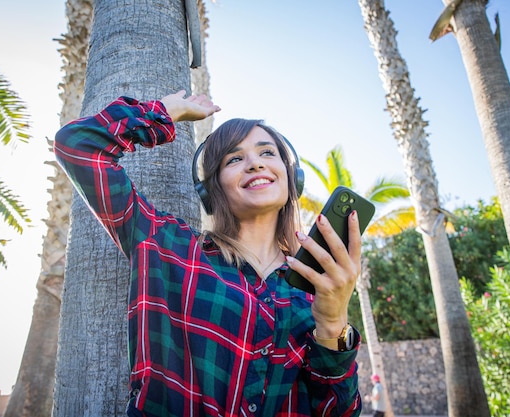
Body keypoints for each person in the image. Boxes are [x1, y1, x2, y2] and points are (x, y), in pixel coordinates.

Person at [54, 90, 363, 416]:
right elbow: (77, 145)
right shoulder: (164, 244)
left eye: (267, 153)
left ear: (292, 178)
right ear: (211, 189)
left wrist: (333, 323)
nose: (255, 163)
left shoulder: (316, 290)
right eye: (234, 158)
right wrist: (163, 112)